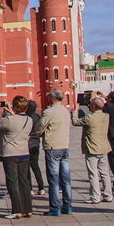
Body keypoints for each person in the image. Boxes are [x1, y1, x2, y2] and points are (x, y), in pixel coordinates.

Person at [0, 96, 37, 218]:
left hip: (10, 154)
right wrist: (12, 112)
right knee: (24, 182)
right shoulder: (29, 120)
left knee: (12, 182)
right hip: (24, 153)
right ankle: (28, 209)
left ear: (15, 106)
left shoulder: (9, 120)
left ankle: (17, 210)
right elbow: (18, 121)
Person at [73, 93, 112, 204]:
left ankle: (95, 196)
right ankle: (108, 194)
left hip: (92, 148)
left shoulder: (90, 118)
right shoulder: (106, 116)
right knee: (105, 173)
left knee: (93, 173)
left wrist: (75, 111)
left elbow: (75, 122)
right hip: (104, 147)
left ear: (94, 106)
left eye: (91, 104)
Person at [39, 88, 73, 216]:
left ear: (52, 98)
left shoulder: (49, 112)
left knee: (54, 179)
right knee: (66, 178)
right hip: (64, 146)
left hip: (52, 147)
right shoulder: (66, 111)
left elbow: (40, 127)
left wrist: (37, 134)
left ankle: (55, 207)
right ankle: (68, 205)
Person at [25, 100, 47, 195]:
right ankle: (41, 187)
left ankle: (29, 189)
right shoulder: (38, 116)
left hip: (26, 144)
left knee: (27, 167)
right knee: (36, 166)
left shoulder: (26, 117)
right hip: (36, 143)